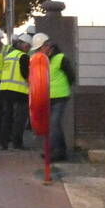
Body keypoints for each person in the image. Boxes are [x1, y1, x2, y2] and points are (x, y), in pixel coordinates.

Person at [31, 33, 76, 161]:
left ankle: (57, 151)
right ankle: (58, 150)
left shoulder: (60, 58)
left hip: (60, 96)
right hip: (47, 96)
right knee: (52, 124)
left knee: (54, 123)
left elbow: (71, 76)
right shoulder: (42, 60)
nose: (39, 52)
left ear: (47, 46)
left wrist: (63, 87)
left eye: (40, 49)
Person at [0, 33, 31, 150]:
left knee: (7, 117)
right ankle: (17, 143)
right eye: (27, 46)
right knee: (20, 118)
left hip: (4, 89)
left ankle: (3, 143)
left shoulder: (9, 55)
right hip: (19, 91)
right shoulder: (24, 57)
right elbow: (26, 74)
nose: (28, 49)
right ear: (21, 44)